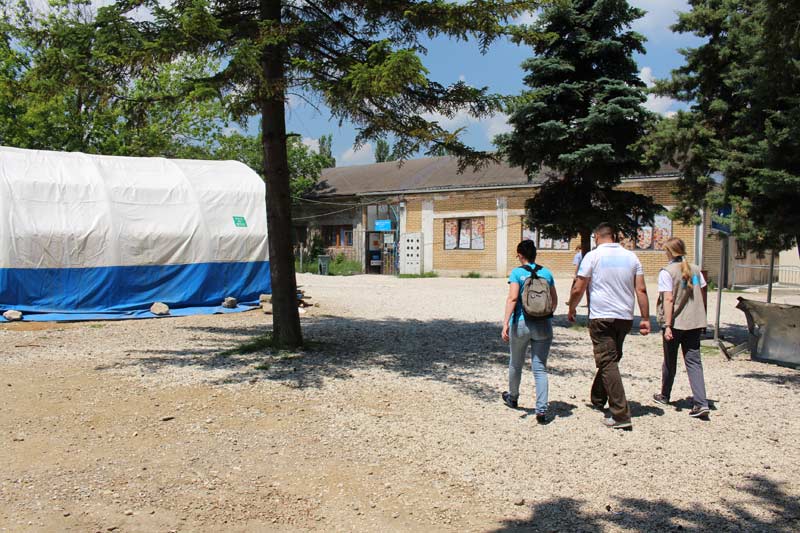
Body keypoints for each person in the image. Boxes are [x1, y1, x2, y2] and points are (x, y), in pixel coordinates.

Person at [567, 223, 651, 430]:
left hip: (601, 316)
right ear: (613, 236)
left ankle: (621, 415)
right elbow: (641, 289)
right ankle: (597, 398)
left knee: (607, 361)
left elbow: (579, 286)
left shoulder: (593, 256)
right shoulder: (632, 257)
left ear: (596, 236)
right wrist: (645, 317)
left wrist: (572, 307)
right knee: (611, 358)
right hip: (624, 317)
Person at [501, 240, 558, 424]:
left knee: (515, 363)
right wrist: (545, 314)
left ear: (520, 255)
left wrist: (505, 323)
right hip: (543, 324)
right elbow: (554, 300)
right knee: (540, 367)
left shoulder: (517, 273)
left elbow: (513, 297)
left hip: (521, 323)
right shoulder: (547, 273)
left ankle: (513, 397)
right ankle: (541, 410)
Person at [653, 237, 711, 419]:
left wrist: (667, 325)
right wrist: (703, 317)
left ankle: (665, 395)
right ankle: (701, 402)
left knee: (670, 360)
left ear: (669, 252)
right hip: (694, 322)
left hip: (676, 322)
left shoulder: (667, 272)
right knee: (694, 362)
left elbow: (668, 299)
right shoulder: (694, 270)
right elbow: (702, 293)